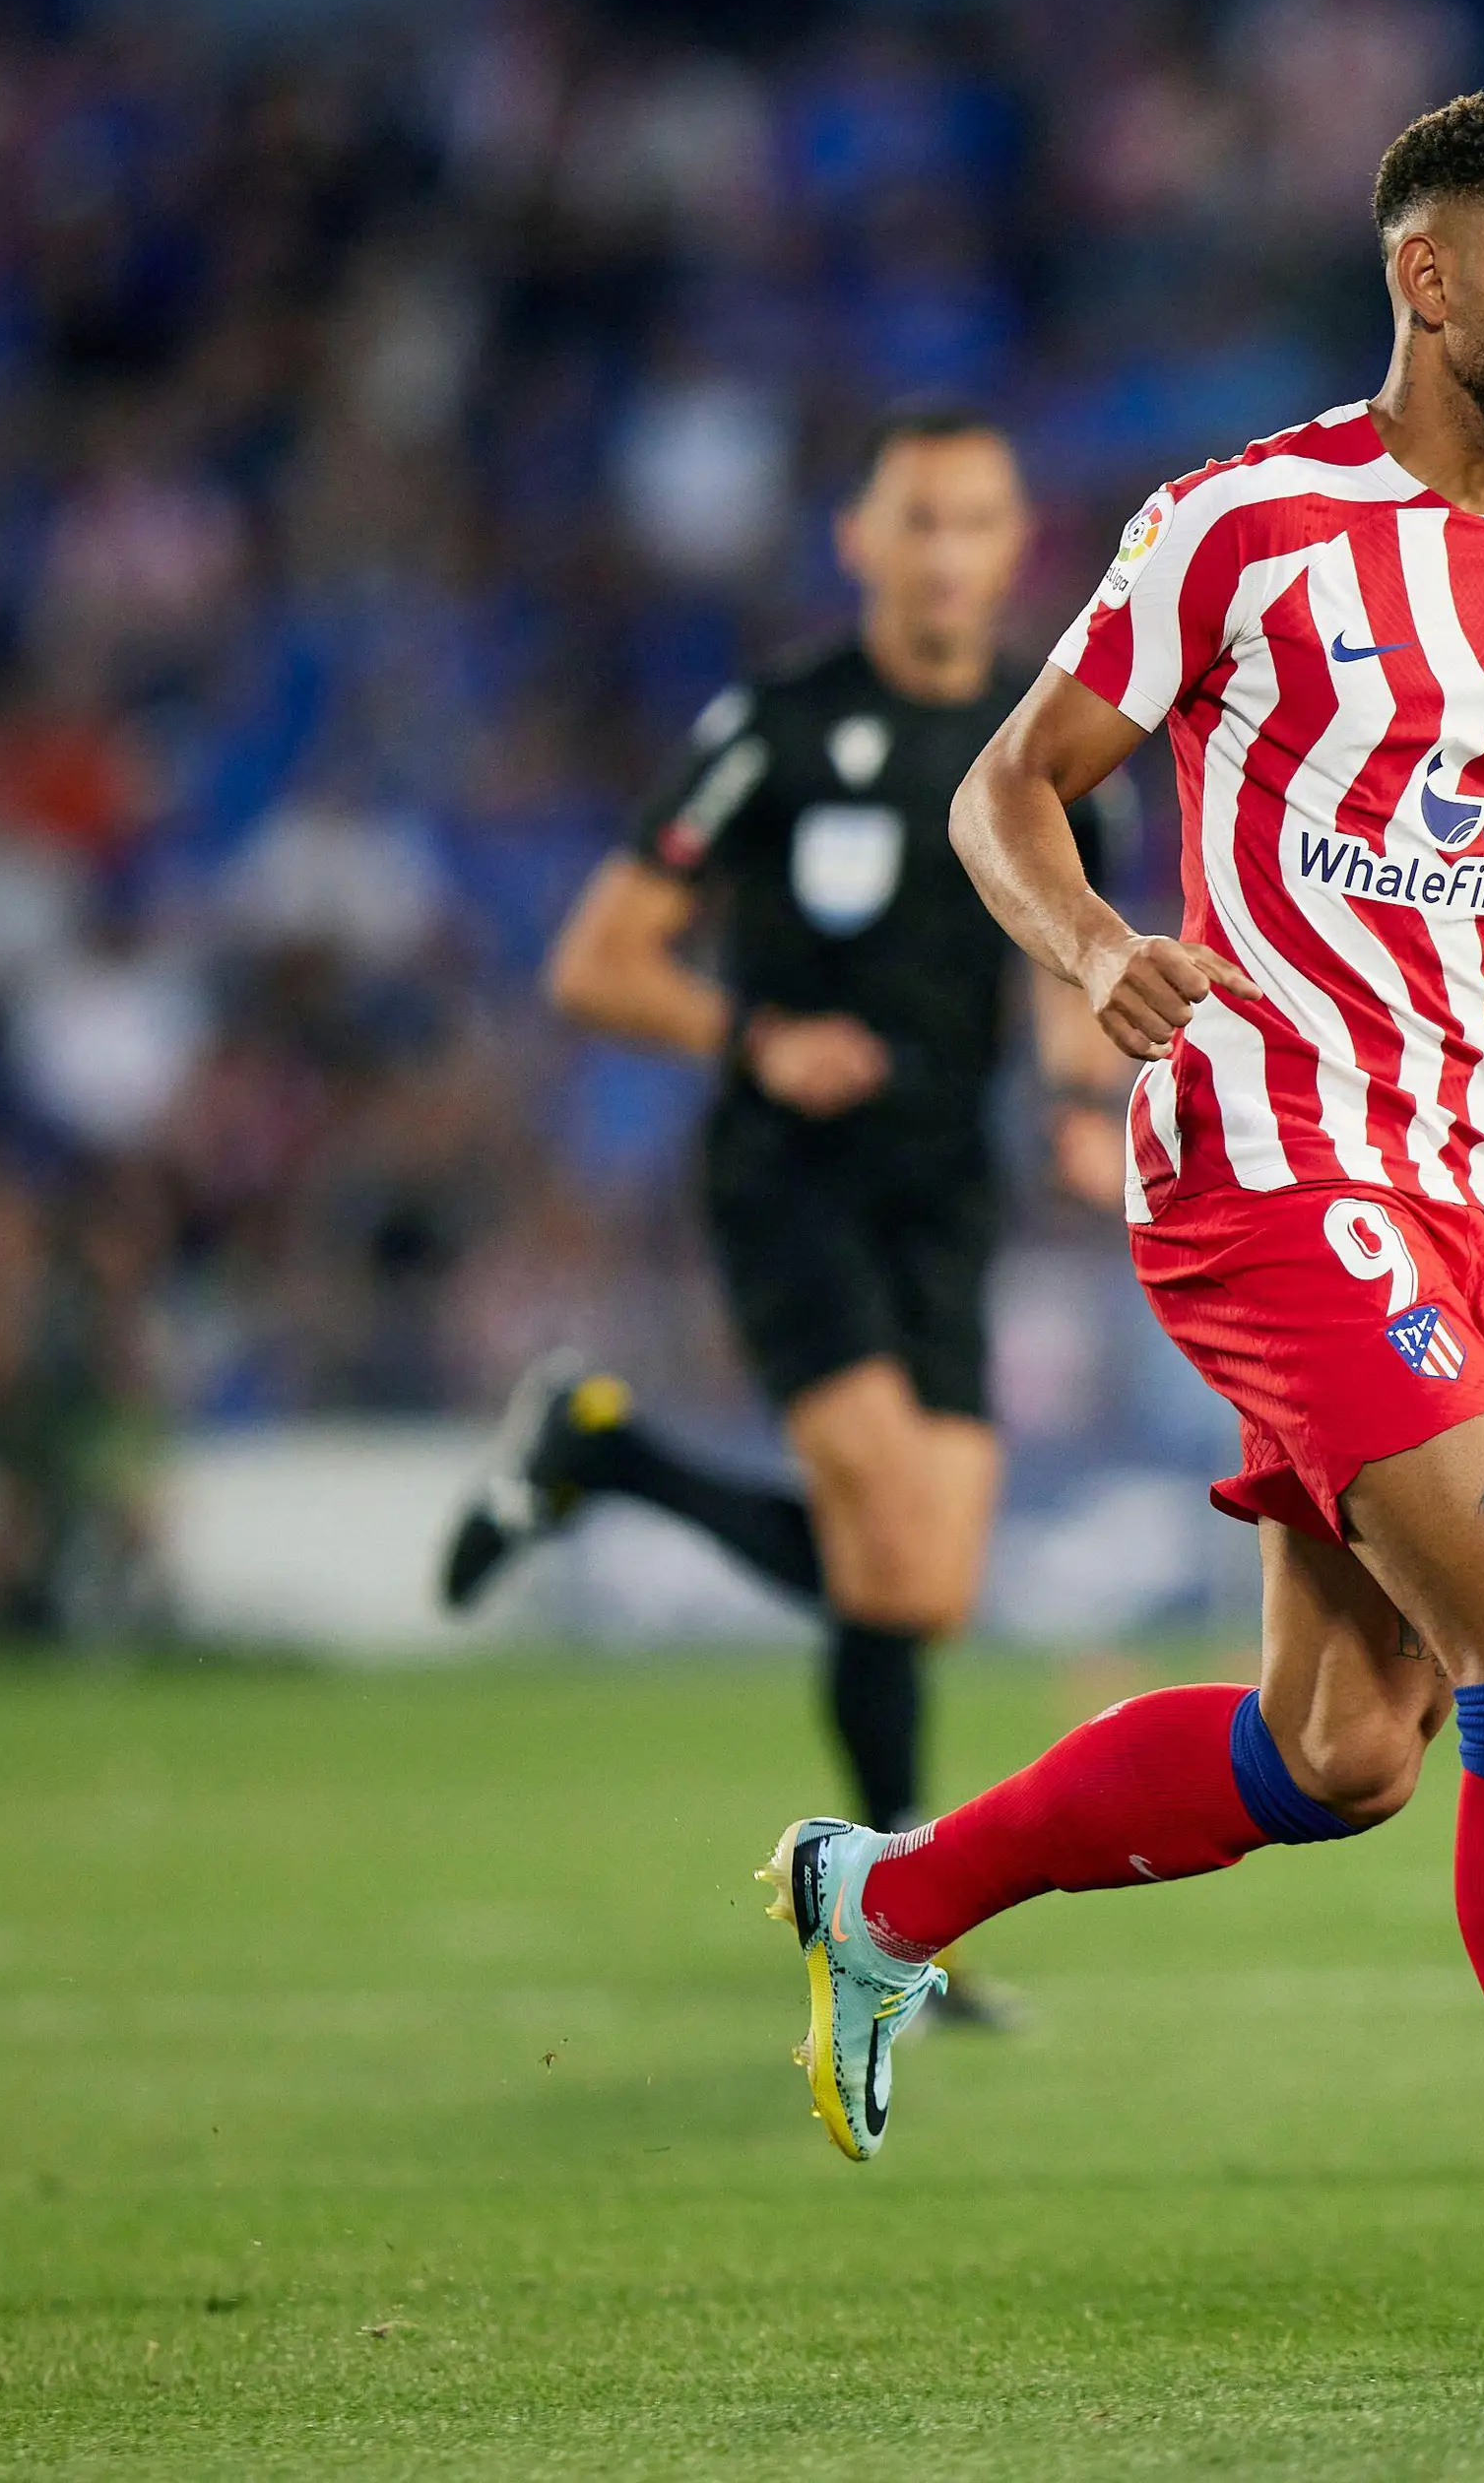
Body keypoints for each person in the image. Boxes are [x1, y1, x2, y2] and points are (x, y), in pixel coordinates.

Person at [755, 93, 1484, 2376]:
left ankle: (886, 1894)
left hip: (1450, 1198)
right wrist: (1093, 946)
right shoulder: (1235, 526)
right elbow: (1002, 784)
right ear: (1428, 278)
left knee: (1349, 1751)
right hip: (1264, 1166)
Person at [443, 408, 1123, 2014]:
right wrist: (755, 1037)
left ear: (1015, 543)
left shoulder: (1058, 749)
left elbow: (1073, 971)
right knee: (886, 1528)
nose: (948, 552)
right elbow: (597, 960)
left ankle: (601, 1454)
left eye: (977, 522)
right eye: (919, 521)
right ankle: (896, 1921)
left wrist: (1090, 1114)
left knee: (924, 1587)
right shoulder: (777, 726)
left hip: (946, 1190)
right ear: (863, 542)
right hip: (789, 1179)